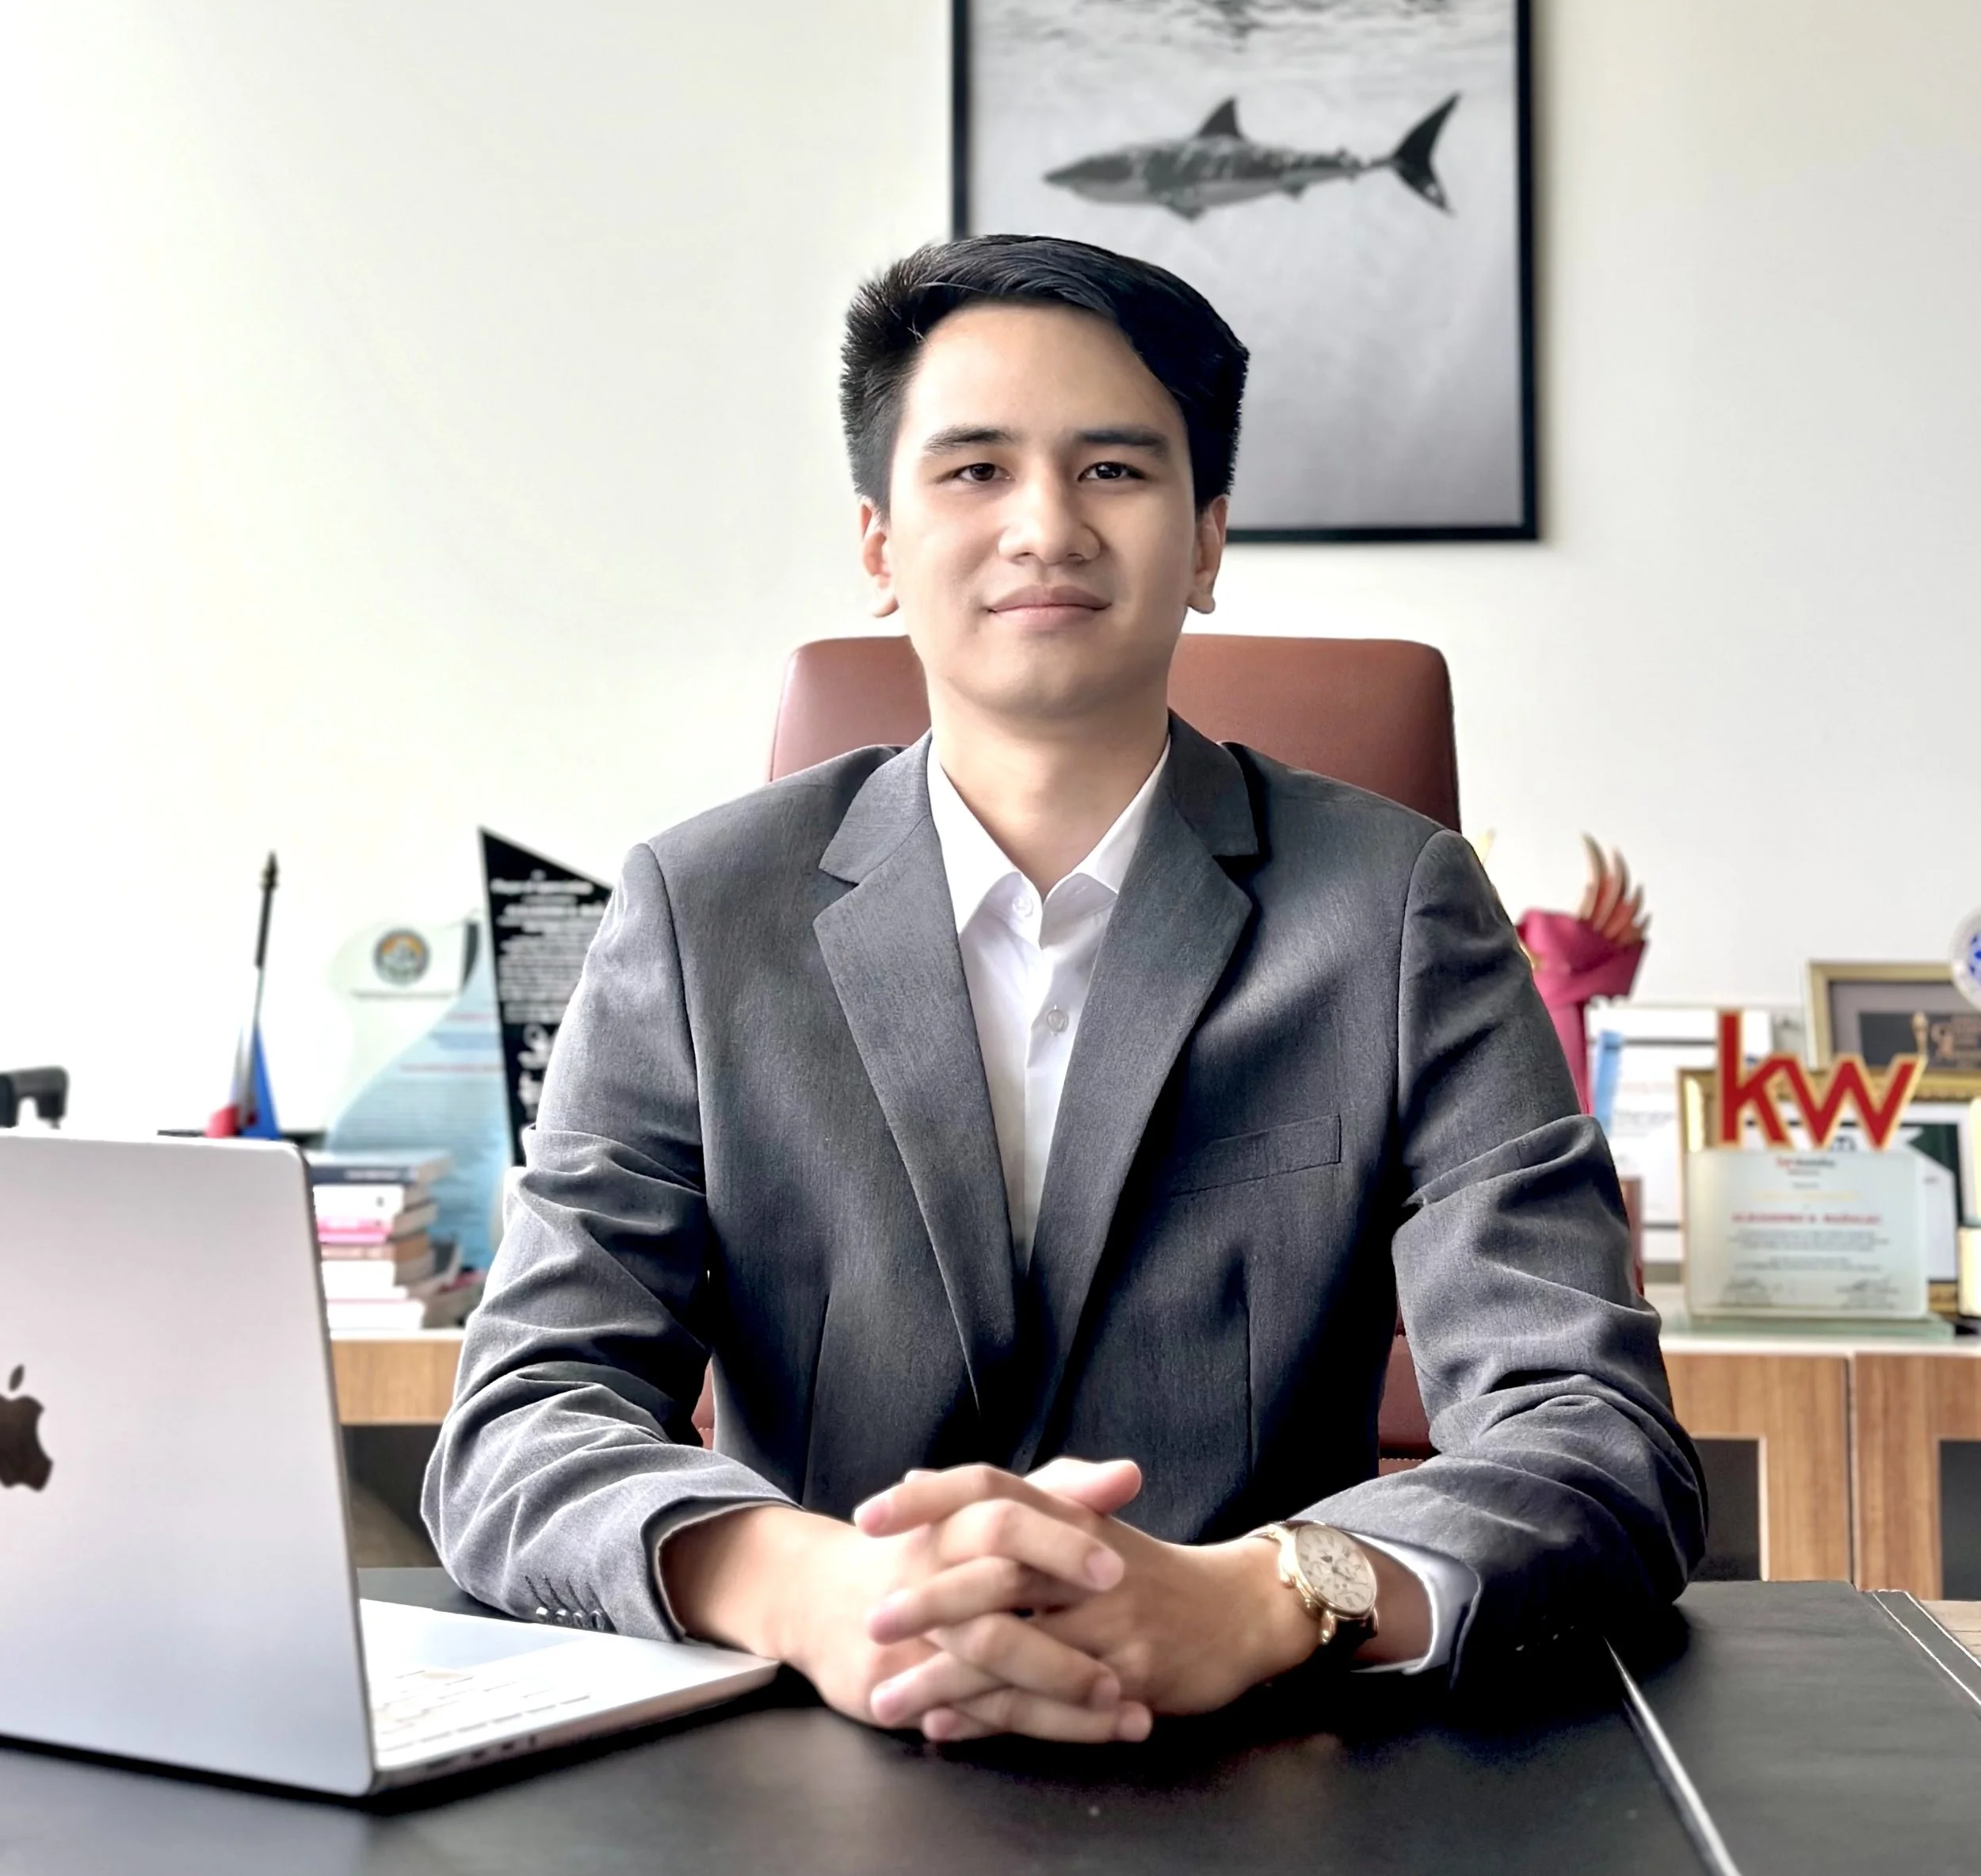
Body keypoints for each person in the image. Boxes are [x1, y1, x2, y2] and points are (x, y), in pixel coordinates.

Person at [426, 235, 1701, 1746]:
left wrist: (1266, 1595)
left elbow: (1598, 1434)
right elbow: (520, 1420)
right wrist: (814, 1587)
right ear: (879, 543)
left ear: (1207, 540)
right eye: (975, 469)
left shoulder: (1398, 910)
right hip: (803, 1754)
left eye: (1113, 469)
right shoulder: (702, 912)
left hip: (1277, 1762)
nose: (1045, 525)